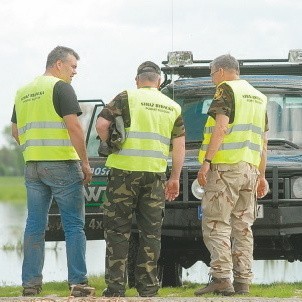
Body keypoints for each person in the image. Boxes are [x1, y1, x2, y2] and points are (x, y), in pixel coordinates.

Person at [96, 61, 185, 297]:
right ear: (160, 82)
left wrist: (110, 144)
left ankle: (115, 287)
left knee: (117, 231)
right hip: (155, 175)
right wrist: (174, 177)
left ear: (137, 80)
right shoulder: (172, 106)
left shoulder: (126, 97)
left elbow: (102, 123)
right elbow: (179, 146)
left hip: (123, 173)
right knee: (151, 232)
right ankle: (147, 288)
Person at [11, 46, 95, 297]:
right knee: (73, 225)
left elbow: (15, 132)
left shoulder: (23, 92)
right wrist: (85, 162)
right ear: (58, 64)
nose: (74, 72)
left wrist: (32, 150)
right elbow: (75, 128)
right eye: (73, 67)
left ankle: (30, 284)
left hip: (33, 166)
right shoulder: (61, 88)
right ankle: (78, 283)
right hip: (62, 165)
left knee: (35, 225)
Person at [194, 54, 268, 296]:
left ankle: (221, 278)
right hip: (250, 170)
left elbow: (221, 127)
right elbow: (263, 142)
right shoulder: (259, 97)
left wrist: (207, 162)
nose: (212, 78)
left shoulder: (225, 90)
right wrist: (262, 175)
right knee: (243, 227)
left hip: (225, 168)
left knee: (216, 223)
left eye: (212, 73)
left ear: (223, 71)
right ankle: (243, 281)